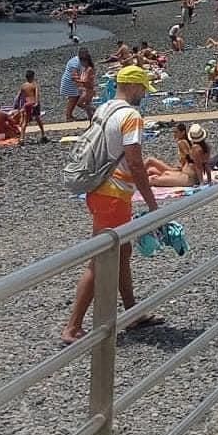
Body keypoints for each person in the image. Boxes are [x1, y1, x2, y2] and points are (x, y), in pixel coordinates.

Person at [61, 66, 161, 344]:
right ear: (133, 87)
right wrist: (153, 205)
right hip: (113, 194)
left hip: (100, 190)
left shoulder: (105, 109)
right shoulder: (131, 115)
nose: (144, 94)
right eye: (143, 89)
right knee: (101, 260)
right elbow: (136, 163)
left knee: (123, 252)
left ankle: (132, 313)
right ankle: (72, 327)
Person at [149, 123, 212, 188]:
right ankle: (140, 179)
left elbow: (198, 167)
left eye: (176, 132)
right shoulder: (206, 147)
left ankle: (140, 182)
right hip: (187, 175)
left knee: (154, 179)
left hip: (189, 178)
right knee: (162, 173)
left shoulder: (195, 148)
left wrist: (201, 183)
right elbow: (206, 165)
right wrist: (209, 180)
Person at [14, 69, 46, 143]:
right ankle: (43, 134)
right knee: (38, 119)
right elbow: (36, 94)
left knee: (25, 121)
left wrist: (17, 105)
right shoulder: (34, 85)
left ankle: (22, 138)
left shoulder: (23, 86)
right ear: (33, 77)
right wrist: (37, 103)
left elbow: (18, 96)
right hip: (33, 103)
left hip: (27, 104)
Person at [59, 48, 84, 121]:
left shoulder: (80, 61)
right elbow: (74, 76)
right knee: (72, 99)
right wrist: (81, 85)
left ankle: (70, 115)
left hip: (74, 81)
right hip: (69, 82)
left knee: (76, 98)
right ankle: (68, 116)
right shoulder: (75, 62)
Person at [74, 48, 97, 116]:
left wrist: (77, 80)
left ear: (86, 61)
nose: (81, 63)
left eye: (82, 62)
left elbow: (86, 81)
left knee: (80, 104)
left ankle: (95, 109)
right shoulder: (85, 69)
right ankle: (91, 119)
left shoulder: (89, 69)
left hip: (88, 90)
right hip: (85, 90)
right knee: (87, 105)